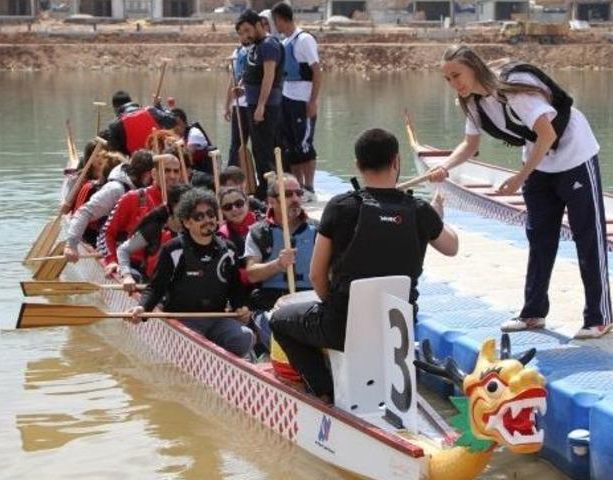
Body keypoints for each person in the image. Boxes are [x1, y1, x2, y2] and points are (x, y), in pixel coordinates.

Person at [430, 45, 613, 339]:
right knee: (539, 236)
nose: (454, 83)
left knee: (587, 237)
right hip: (539, 161)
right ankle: (533, 313)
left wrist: (519, 177)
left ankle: (598, 317)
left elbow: (548, 133)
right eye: (448, 79)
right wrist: (444, 167)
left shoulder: (513, 92)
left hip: (575, 155)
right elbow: (470, 145)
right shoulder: (474, 104)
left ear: (473, 68)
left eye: (457, 75)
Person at [269, 128, 459, 400]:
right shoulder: (419, 210)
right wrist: (437, 214)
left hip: (343, 325)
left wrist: (330, 305)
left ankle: (324, 392)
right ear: (397, 161)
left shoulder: (340, 207)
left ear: (357, 165)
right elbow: (452, 247)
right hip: (398, 329)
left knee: (279, 320)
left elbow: (316, 275)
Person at [129, 188, 255, 359]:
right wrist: (142, 308)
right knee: (198, 347)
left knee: (245, 338)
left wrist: (242, 307)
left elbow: (235, 288)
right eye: (199, 217)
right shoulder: (173, 249)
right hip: (183, 320)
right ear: (187, 222)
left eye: (210, 214)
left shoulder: (228, 250)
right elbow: (156, 287)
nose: (207, 220)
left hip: (216, 318)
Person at [99, 154, 183, 277]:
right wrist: (111, 261)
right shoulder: (133, 198)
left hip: (169, 268)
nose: (172, 176)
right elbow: (106, 233)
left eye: (176, 171)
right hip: (134, 268)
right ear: (154, 174)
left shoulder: (185, 202)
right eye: (167, 171)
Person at [64, 150, 155, 262]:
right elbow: (85, 212)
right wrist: (71, 245)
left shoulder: (151, 190)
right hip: (110, 248)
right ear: (147, 175)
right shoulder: (116, 189)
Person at [272, 2, 322, 201]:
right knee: (291, 146)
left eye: (275, 21)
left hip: (302, 100)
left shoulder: (304, 40)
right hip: (287, 99)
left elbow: (317, 71)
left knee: (304, 144)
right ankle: (298, 187)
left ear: (280, 19)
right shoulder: (285, 42)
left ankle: (310, 187)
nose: (275, 26)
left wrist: (312, 101)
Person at [244, 174, 316, 311]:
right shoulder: (258, 233)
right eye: (288, 194)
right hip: (271, 301)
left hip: (310, 298)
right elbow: (252, 274)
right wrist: (278, 264)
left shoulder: (318, 230)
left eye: (299, 193)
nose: (295, 198)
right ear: (272, 201)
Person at [237, 9, 285, 200]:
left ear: (259, 25)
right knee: (258, 149)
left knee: (264, 151)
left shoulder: (269, 45)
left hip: (266, 106)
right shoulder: (255, 47)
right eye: (241, 33)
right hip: (254, 103)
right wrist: (242, 89)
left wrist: (261, 106)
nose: (245, 36)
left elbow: (269, 75)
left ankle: (268, 192)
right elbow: (254, 74)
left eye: (247, 30)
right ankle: (264, 188)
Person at [118, 183, 192, 287]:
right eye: (185, 207)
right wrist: (126, 276)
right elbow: (123, 250)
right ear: (173, 206)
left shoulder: (195, 231)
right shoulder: (154, 228)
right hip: (152, 290)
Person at [70, 151, 126, 246]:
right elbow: (80, 215)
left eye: (101, 165)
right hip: (90, 237)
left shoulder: (120, 189)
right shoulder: (91, 188)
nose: (99, 168)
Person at [106, 100, 178, 155]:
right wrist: (160, 108)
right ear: (139, 107)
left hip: (134, 161)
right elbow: (173, 121)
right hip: (157, 155)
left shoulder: (115, 123)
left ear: (120, 113)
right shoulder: (151, 111)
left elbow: (113, 150)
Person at [225, 24, 253, 169]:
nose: (243, 37)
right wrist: (227, 106)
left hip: (253, 104)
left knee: (258, 143)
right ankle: (232, 174)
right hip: (238, 105)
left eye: (246, 33)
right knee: (236, 143)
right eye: (240, 34)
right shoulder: (237, 53)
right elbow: (232, 80)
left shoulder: (257, 50)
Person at [171, 107, 215, 175]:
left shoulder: (194, 133)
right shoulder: (176, 136)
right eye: (172, 124)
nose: (175, 127)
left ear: (185, 123)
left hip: (202, 173)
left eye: (178, 124)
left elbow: (188, 158)